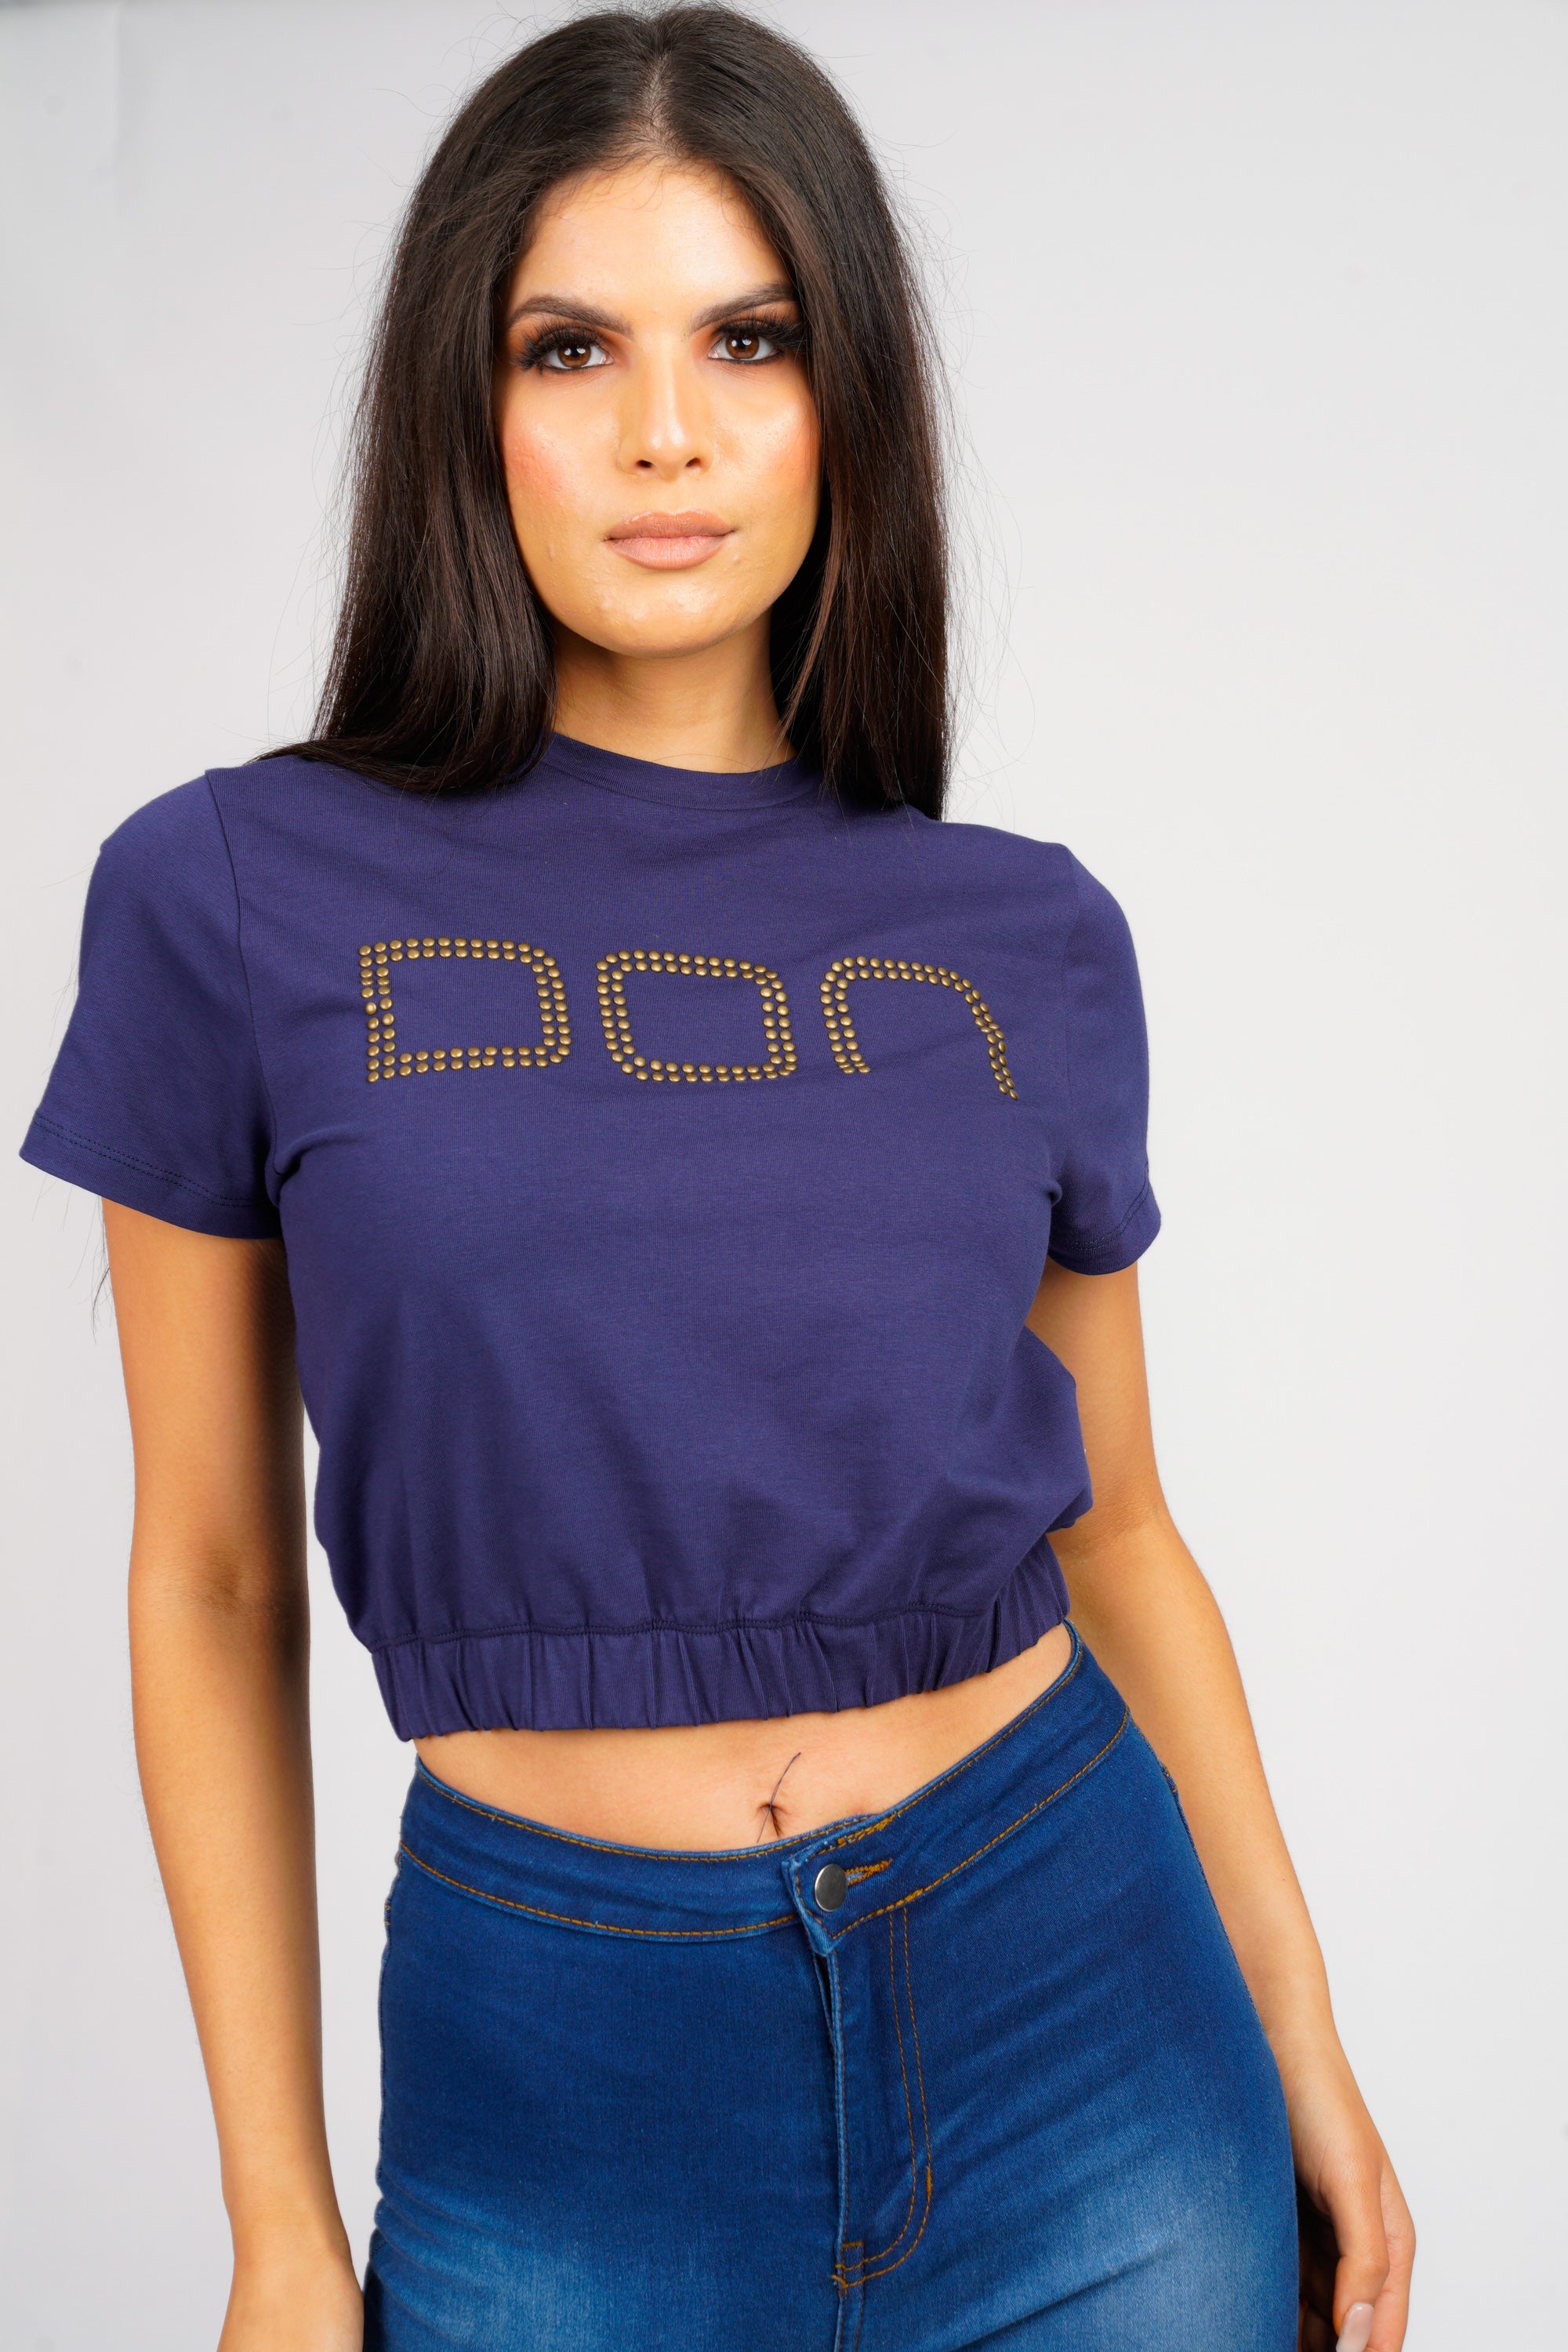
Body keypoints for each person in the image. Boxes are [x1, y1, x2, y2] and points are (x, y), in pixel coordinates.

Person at [20, 9, 1414, 2349]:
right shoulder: (237, 894)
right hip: (561, 2084)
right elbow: (215, 1579)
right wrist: (277, 2226)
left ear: (847, 396)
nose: (664, 431)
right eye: (571, 347)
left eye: (749, 341)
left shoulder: (1025, 933)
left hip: (1085, 2018)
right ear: (464, 406)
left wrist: (1311, 2043)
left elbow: (1120, 1531)